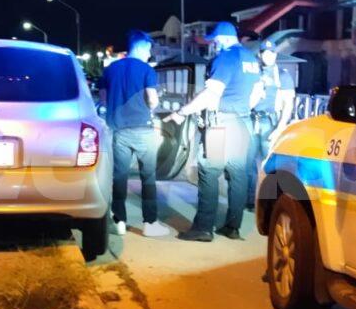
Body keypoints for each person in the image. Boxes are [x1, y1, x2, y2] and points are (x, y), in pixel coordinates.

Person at [166, 22, 263, 242]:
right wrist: (240, 108)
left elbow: (211, 94)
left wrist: (182, 112)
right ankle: (232, 227)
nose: (213, 45)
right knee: (238, 176)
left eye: (215, 40)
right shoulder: (250, 59)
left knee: (209, 173)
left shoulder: (226, 57)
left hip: (222, 125)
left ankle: (203, 228)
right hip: (242, 123)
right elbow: (258, 93)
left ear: (223, 39)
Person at [99, 31, 170, 238]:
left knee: (119, 176)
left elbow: (103, 99)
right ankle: (150, 223)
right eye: (148, 49)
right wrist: (154, 104)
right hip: (143, 130)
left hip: (118, 131)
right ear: (140, 47)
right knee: (148, 177)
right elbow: (152, 100)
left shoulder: (110, 69)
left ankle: (119, 221)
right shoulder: (147, 70)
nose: (149, 54)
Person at [246, 39, 296, 210]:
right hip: (252, 119)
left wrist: (280, 127)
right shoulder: (254, 73)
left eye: (271, 53)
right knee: (248, 163)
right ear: (260, 55)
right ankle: (250, 200)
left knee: (270, 164)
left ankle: (269, 203)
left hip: (271, 122)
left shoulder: (282, 75)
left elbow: (288, 104)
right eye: (265, 53)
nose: (268, 56)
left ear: (275, 55)